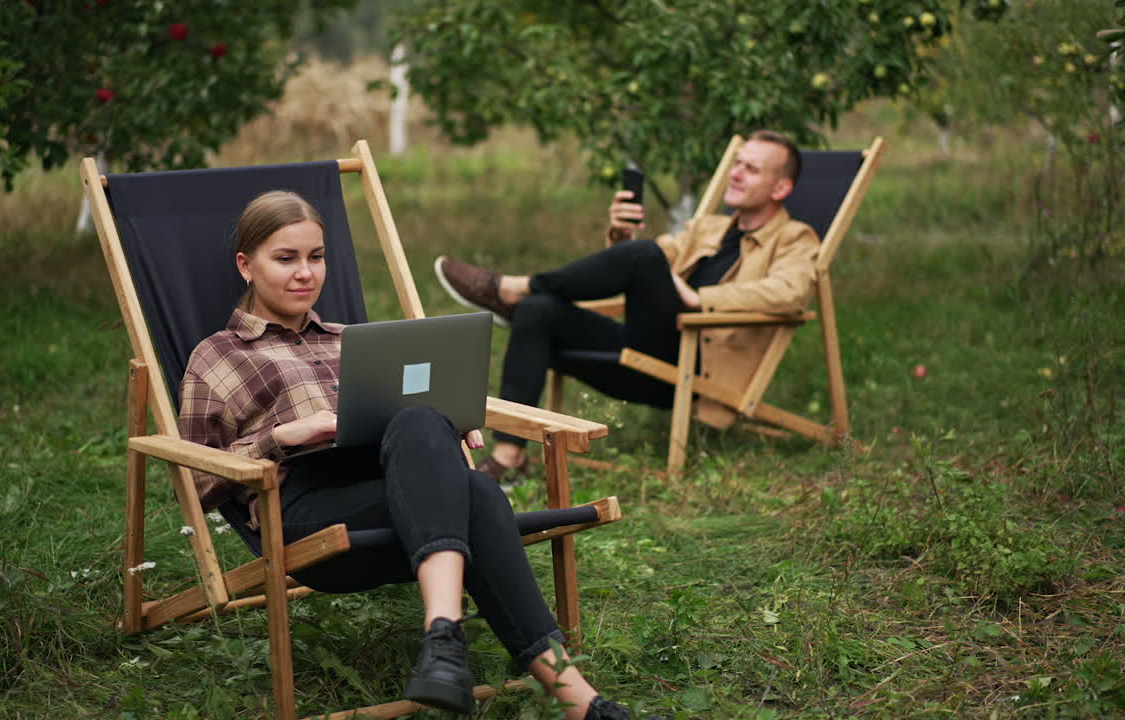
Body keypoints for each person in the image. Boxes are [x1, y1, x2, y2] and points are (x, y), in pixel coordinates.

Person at [176, 190, 654, 720]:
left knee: (430, 428)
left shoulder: (353, 341)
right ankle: (546, 687)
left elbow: (407, 428)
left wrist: (449, 418)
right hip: (305, 507)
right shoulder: (218, 356)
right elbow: (196, 481)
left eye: (316, 256)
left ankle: (461, 648)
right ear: (246, 265)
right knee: (475, 491)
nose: (305, 273)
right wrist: (282, 437)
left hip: (393, 487)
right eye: (285, 258)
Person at [434, 130, 819, 483]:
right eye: (736, 163)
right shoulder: (709, 228)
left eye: (751, 169)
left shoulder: (795, 238)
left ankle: (510, 289)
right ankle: (509, 455)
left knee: (646, 255)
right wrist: (621, 237)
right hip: (648, 352)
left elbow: (791, 292)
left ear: (781, 187)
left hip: (697, 369)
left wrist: (700, 298)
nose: (735, 174)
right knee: (538, 310)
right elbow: (642, 267)